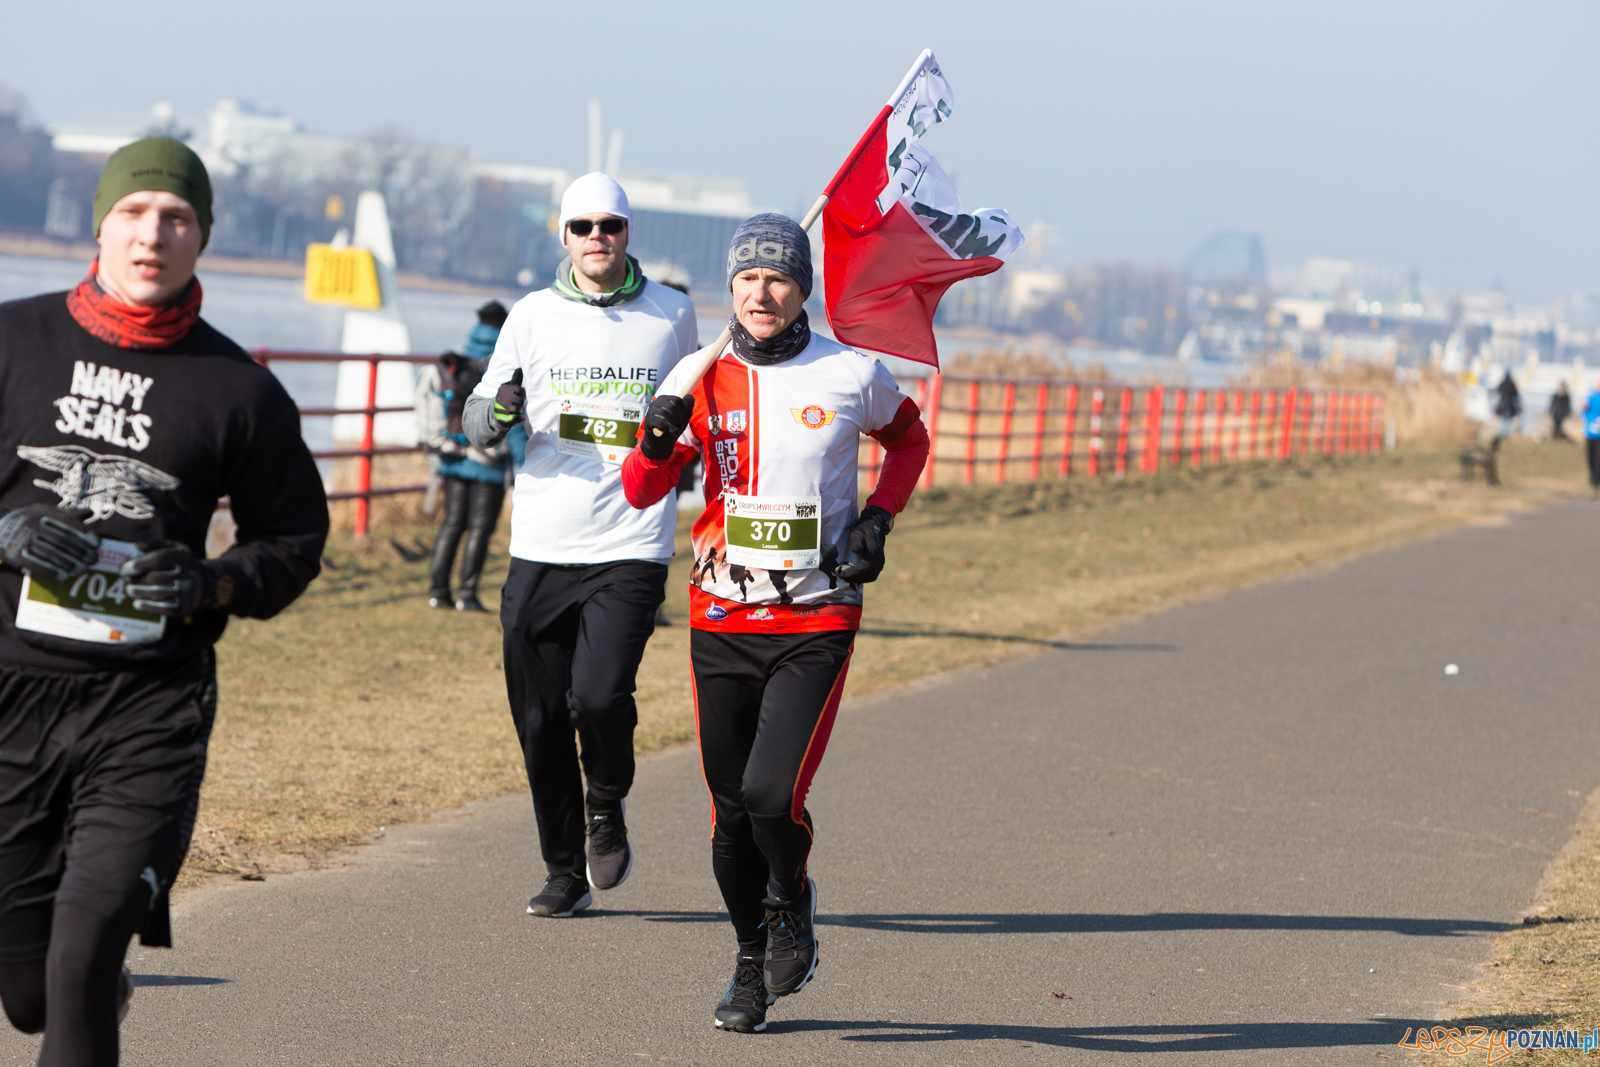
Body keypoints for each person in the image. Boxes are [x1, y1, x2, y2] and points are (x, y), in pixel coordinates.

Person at [0, 137, 328, 1065]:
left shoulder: (240, 389)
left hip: (148, 704)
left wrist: (213, 580)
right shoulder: (12, 341)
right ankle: (93, 980)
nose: (155, 234)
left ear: (202, 237)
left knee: (77, 963)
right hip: (12, 695)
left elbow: (293, 542)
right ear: (100, 223)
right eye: (136, 212)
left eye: (177, 217)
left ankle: (95, 971)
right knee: (29, 991)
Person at [620, 214, 930, 1033]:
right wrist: (654, 439)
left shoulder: (851, 374)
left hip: (816, 615)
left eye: (780, 278)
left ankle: (791, 893)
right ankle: (750, 960)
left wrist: (878, 519)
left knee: (771, 793)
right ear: (732, 287)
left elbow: (909, 440)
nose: (763, 292)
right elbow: (640, 491)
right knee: (728, 815)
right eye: (749, 278)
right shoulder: (700, 376)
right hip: (721, 615)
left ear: (803, 292)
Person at [463, 173, 698, 918]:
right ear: (562, 236)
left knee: (597, 696)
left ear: (629, 234)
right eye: (583, 226)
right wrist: (494, 413)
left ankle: (606, 796)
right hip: (541, 539)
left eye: (612, 225)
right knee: (537, 719)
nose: (598, 237)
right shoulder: (531, 316)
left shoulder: (673, 313)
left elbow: (698, 417)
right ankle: (563, 868)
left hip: (631, 538)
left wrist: (672, 445)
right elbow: (474, 419)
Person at [415, 302, 512, 611]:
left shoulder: (461, 357)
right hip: (490, 462)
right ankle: (467, 595)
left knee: (452, 525)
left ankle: (437, 593)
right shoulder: (505, 361)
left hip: (454, 457)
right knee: (480, 529)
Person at [1494, 370, 1521, 439]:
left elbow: (1497, 392)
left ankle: (1502, 433)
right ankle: (1506, 434)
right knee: (1508, 420)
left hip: (1502, 405)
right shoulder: (1512, 385)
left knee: (1502, 419)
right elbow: (1516, 395)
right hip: (1510, 405)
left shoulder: (1502, 383)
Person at [1585, 384, 1600, 499]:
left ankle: (1595, 485)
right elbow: (1584, 410)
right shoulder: (1592, 397)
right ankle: (1592, 483)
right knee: (1590, 459)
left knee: (1598, 460)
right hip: (1590, 433)